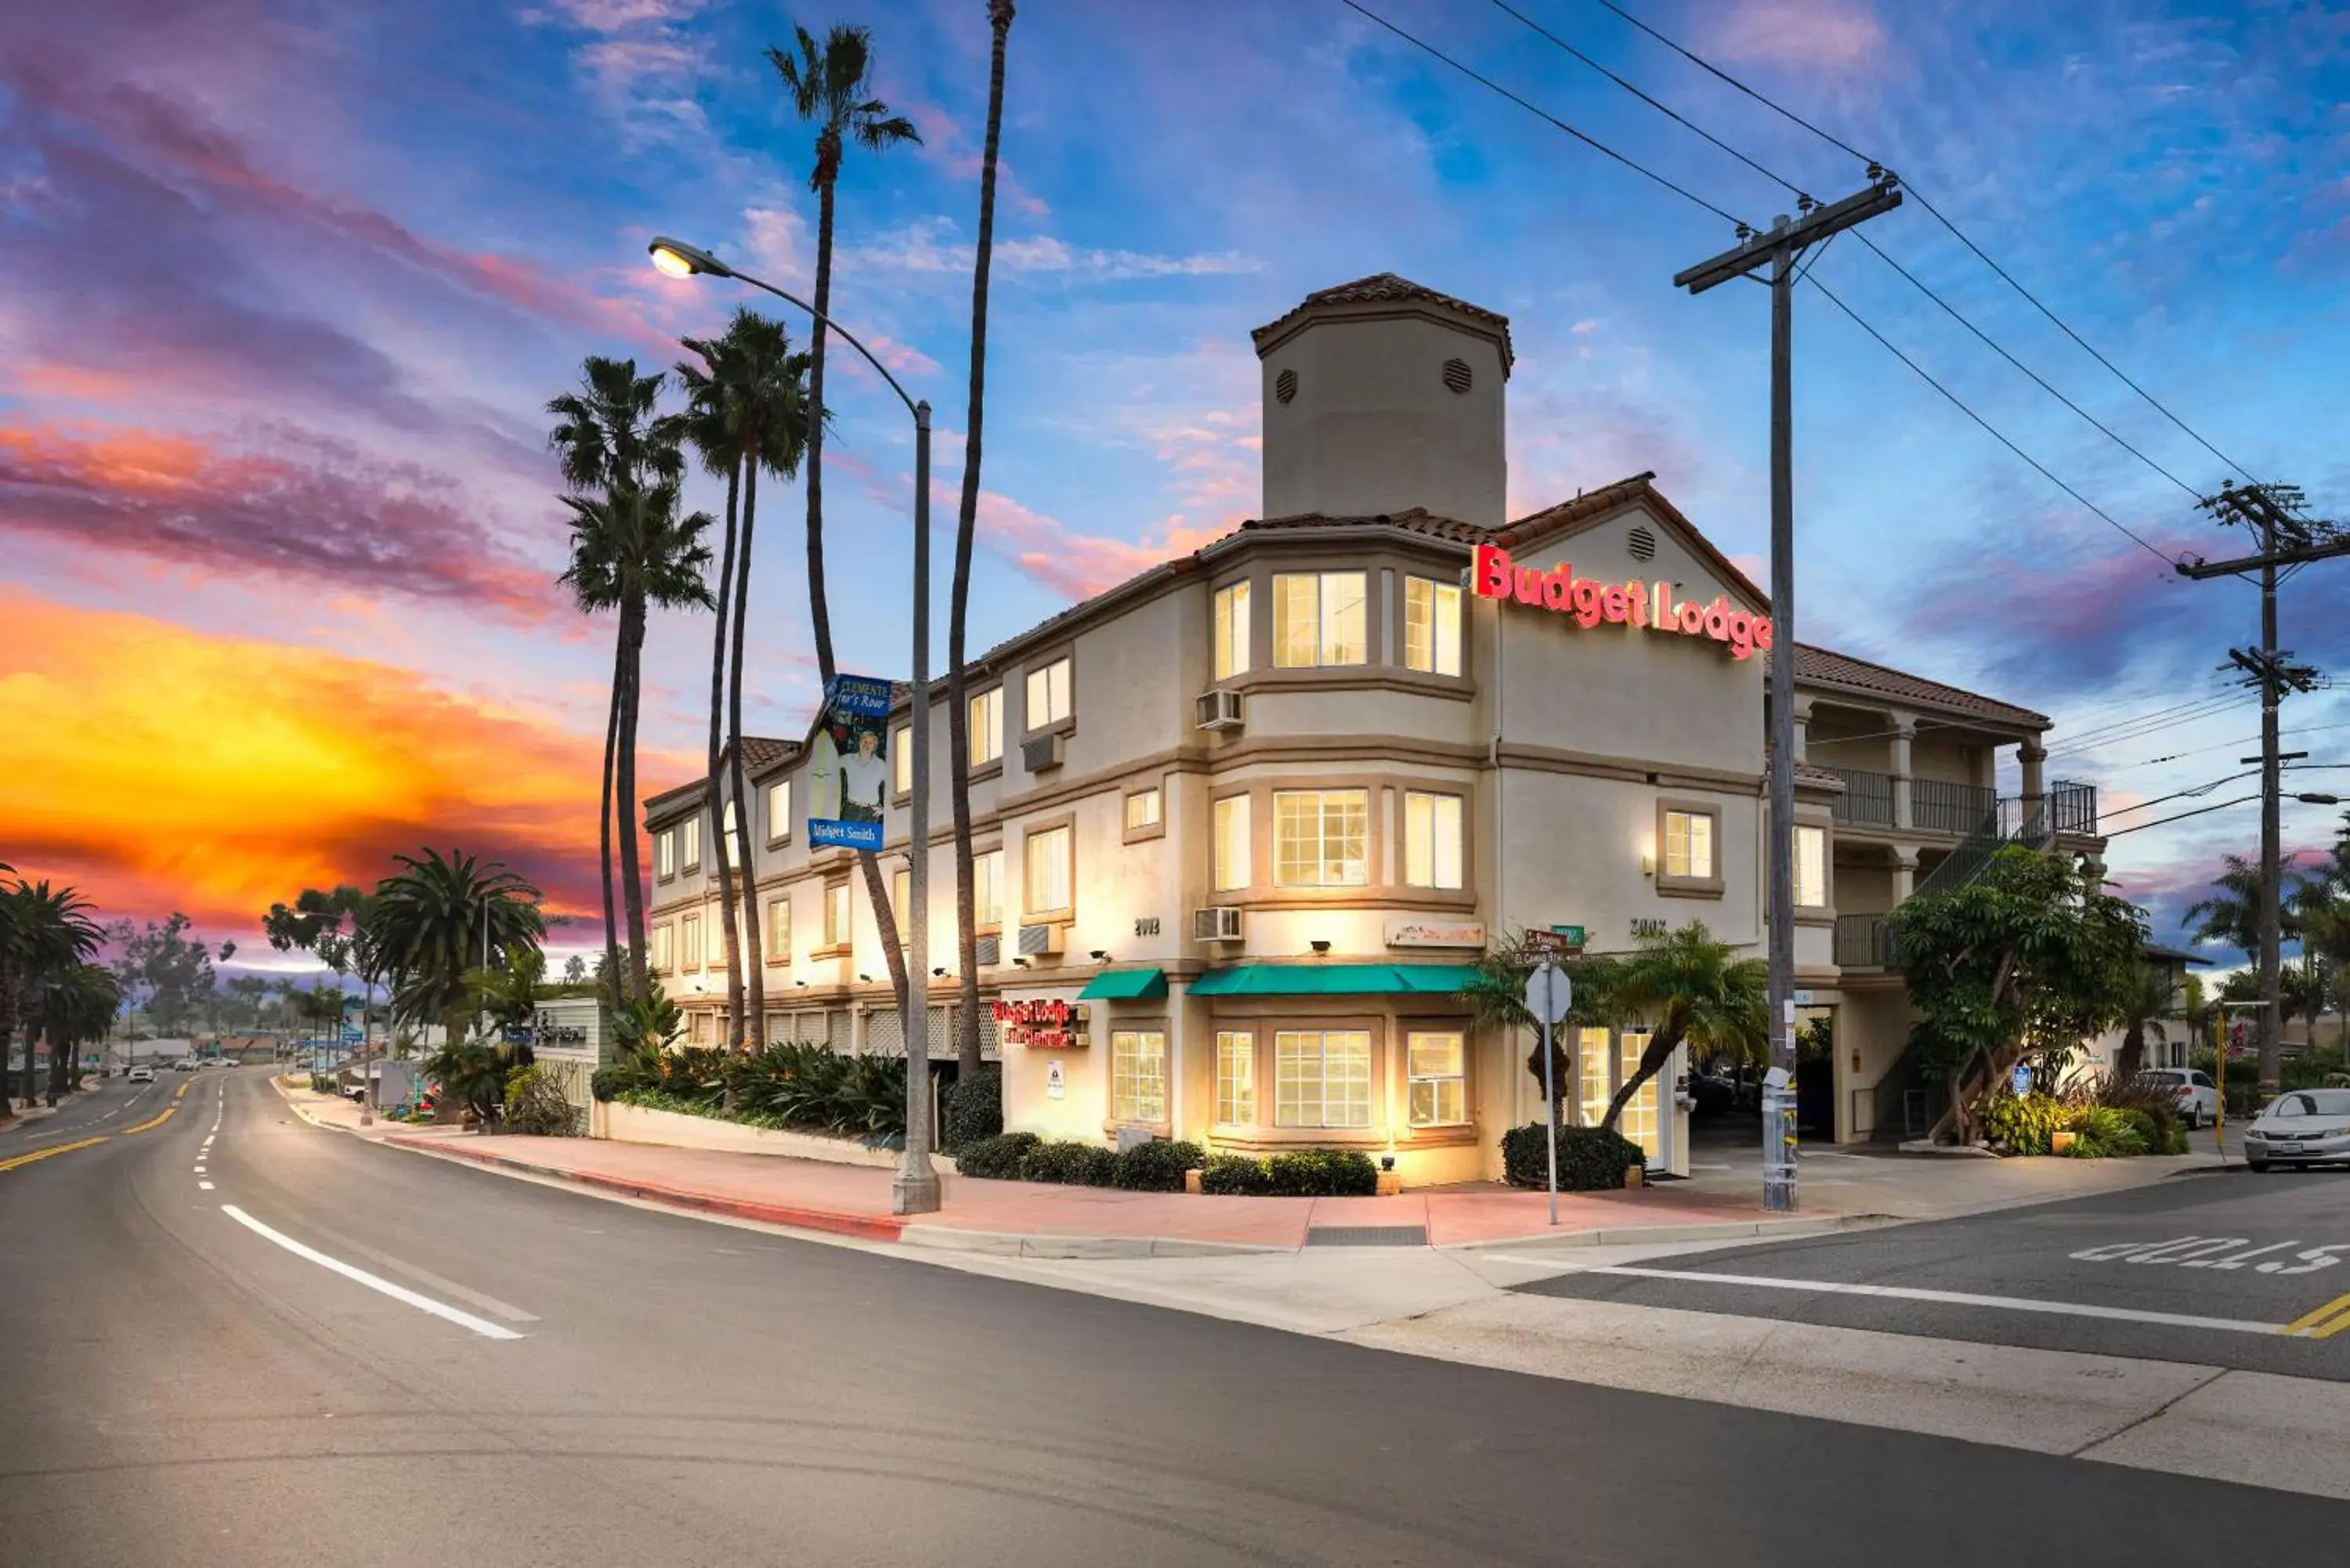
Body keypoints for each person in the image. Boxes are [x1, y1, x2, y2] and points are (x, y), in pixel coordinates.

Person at [837, 725, 888, 822]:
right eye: (864, 741)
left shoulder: (881, 764)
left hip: (871, 813)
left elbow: (893, 784)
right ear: (859, 742)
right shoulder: (848, 759)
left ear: (875, 746)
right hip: (851, 810)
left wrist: (886, 809)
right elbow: (830, 765)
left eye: (870, 743)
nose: (867, 745)